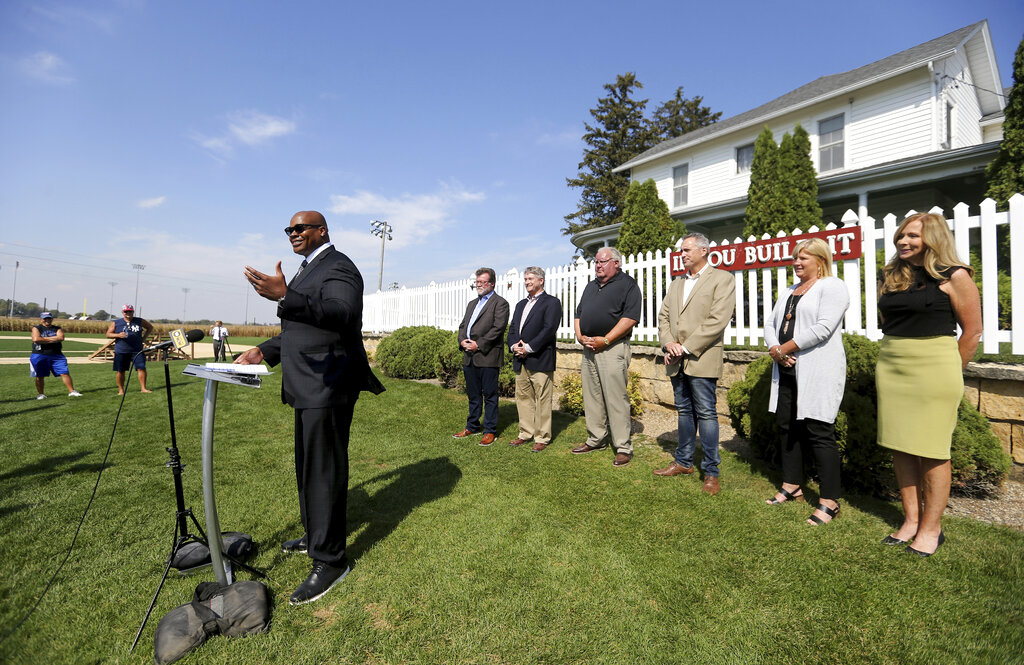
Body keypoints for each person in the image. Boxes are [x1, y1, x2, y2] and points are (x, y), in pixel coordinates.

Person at [238, 210, 384, 603]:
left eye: (300, 228)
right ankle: (315, 533)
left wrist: (286, 295)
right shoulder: (307, 269)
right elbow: (301, 328)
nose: (293, 233)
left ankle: (332, 559)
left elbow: (342, 315)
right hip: (306, 384)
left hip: (329, 383)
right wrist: (264, 351)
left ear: (322, 231)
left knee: (324, 470)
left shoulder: (340, 267)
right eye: (289, 229)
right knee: (307, 467)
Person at [876, 212, 981, 557]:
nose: (904, 242)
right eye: (902, 236)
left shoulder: (955, 275)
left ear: (933, 239)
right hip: (893, 364)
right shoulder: (891, 275)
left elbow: (973, 331)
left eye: (913, 237)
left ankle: (932, 529)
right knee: (900, 444)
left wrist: (952, 368)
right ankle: (910, 520)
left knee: (933, 451)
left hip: (935, 366)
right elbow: (888, 321)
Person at [763, 238, 850, 523]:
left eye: (804, 258)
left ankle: (829, 499)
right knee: (787, 427)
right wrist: (776, 350)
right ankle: (792, 486)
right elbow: (771, 324)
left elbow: (823, 328)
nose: (797, 263)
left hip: (817, 369)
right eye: (796, 258)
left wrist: (784, 349)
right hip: (787, 368)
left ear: (821, 260)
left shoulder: (832, 287)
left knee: (818, 429)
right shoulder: (790, 290)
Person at [654, 233, 736, 494]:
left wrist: (685, 347)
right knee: (684, 411)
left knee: (707, 414)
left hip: (701, 357)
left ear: (703, 250)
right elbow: (664, 317)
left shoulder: (723, 279)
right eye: (681, 250)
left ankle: (711, 471)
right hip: (676, 359)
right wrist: (669, 344)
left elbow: (717, 319)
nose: (683, 253)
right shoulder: (676, 283)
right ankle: (684, 462)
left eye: (687, 249)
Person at [571, 247, 642, 467]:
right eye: (596, 262)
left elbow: (630, 318)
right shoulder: (591, 286)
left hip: (612, 348)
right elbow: (578, 314)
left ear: (616, 263)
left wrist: (607, 340)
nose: (598, 266)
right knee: (591, 396)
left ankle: (622, 447)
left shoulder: (628, 285)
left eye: (603, 262)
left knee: (615, 398)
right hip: (589, 347)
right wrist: (581, 336)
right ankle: (596, 438)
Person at [506, 267, 561, 452]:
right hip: (520, 359)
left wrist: (528, 348)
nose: (527, 282)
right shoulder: (521, 304)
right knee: (523, 398)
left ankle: (542, 437)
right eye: (525, 279)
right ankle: (525, 433)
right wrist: (514, 346)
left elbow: (548, 329)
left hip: (540, 358)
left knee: (542, 399)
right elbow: (513, 328)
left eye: (530, 278)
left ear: (541, 280)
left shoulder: (552, 303)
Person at [453, 268, 509, 447]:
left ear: (492, 283)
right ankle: (472, 426)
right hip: (469, 356)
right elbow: (463, 326)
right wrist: (462, 341)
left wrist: (479, 344)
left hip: (487, 356)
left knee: (490, 395)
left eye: (482, 282)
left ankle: (490, 431)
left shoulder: (500, 303)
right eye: (477, 282)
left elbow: (498, 329)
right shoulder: (472, 304)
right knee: (473, 395)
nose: (478, 285)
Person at [30, 312, 82, 399]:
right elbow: (36, 339)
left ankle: (72, 391)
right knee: (39, 375)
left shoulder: (57, 328)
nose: (47, 320)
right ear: (41, 319)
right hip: (40, 354)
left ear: (52, 319)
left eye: (49, 318)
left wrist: (44, 339)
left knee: (65, 373)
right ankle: (41, 394)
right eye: (45, 318)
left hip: (57, 355)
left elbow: (61, 338)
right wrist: (53, 339)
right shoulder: (36, 328)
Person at [106, 304, 153, 394]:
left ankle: (143, 388)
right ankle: (121, 390)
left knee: (141, 368)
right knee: (120, 370)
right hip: (122, 350)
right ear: (122, 312)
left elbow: (150, 327)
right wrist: (118, 335)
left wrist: (144, 338)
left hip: (137, 350)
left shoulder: (139, 321)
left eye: (130, 311)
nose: (128, 313)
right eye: (126, 311)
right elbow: (108, 334)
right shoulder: (117, 322)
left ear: (133, 312)